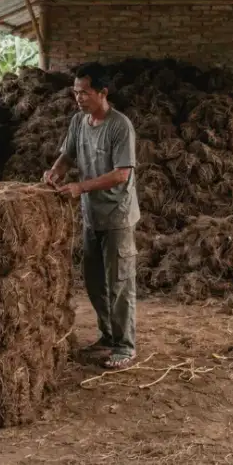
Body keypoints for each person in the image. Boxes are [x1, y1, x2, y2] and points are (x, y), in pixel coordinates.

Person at [44, 62, 139, 369]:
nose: (79, 98)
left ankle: (125, 346)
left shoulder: (119, 126)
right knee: (95, 281)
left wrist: (80, 187)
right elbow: (68, 155)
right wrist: (56, 171)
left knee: (119, 282)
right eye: (75, 92)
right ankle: (108, 335)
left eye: (84, 92)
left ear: (102, 92)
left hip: (117, 217)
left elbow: (122, 174)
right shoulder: (78, 122)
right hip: (92, 216)